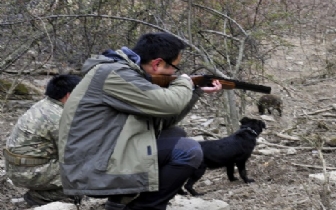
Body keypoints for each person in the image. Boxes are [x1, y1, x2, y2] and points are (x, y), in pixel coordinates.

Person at [58, 32, 222, 210]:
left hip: (100, 158)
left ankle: (120, 202)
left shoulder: (126, 74)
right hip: (91, 168)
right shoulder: (113, 73)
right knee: (188, 150)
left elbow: (165, 119)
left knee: (176, 134)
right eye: (174, 67)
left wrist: (195, 92)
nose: (175, 72)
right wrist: (185, 83)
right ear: (157, 63)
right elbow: (170, 104)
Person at [4, 74, 82, 206]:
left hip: (18, 167)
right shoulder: (59, 117)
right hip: (28, 172)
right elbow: (75, 153)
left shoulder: (45, 104)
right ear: (69, 96)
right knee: (84, 175)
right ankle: (38, 198)